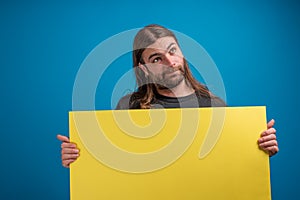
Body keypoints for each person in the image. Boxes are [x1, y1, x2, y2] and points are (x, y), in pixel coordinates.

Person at [57, 24, 279, 168]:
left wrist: (259, 150)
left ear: (181, 53)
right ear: (143, 69)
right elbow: (112, 164)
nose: (170, 62)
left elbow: (231, 163)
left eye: (172, 51)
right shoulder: (129, 107)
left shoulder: (213, 106)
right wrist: (77, 158)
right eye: (156, 59)